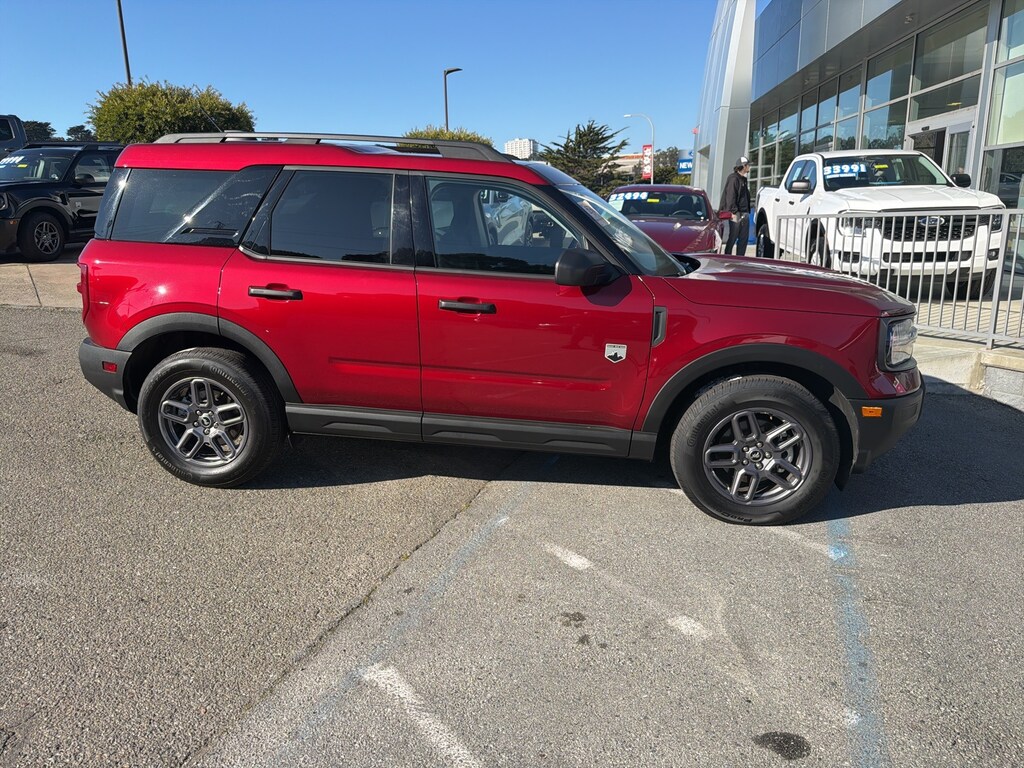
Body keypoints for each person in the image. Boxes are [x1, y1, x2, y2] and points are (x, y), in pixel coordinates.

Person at [719, 156, 751, 255]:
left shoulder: (743, 180)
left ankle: (740, 260)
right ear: (743, 166)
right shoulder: (733, 178)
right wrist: (733, 213)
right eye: (748, 165)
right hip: (736, 213)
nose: (749, 167)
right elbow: (730, 196)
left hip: (744, 212)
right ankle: (727, 257)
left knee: (743, 239)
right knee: (733, 237)